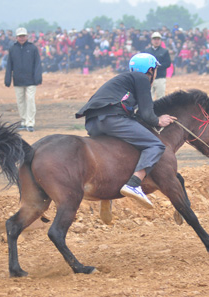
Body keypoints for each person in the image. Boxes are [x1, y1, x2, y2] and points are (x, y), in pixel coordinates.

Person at [75, 53, 176, 208]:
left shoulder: (124, 81)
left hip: (93, 123)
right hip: (111, 119)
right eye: (155, 70)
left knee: (117, 149)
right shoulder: (141, 78)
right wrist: (158, 120)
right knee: (155, 145)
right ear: (150, 70)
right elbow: (147, 114)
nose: (155, 74)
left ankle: (105, 198)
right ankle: (134, 183)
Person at [4, 27, 42, 132]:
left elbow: (38, 64)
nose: (22, 38)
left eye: (23, 36)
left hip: (31, 80)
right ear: (16, 37)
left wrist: (38, 77)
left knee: (30, 100)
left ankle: (30, 123)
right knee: (20, 101)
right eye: (20, 36)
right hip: (18, 80)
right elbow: (9, 65)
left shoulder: (33, 48)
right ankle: (23, 121)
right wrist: (8, 79)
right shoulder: (12, 49)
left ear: (27, 36)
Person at [143, 32, 171, 100]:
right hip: (149, 78)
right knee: (148, 98)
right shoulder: (146, 51)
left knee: (161, 97)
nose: (156, 41)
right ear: (151, 40)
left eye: (158, 39)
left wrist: (157, 66)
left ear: (160, 40)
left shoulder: (164, 51)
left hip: (160, 77)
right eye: (155, 39)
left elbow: (168, 63)